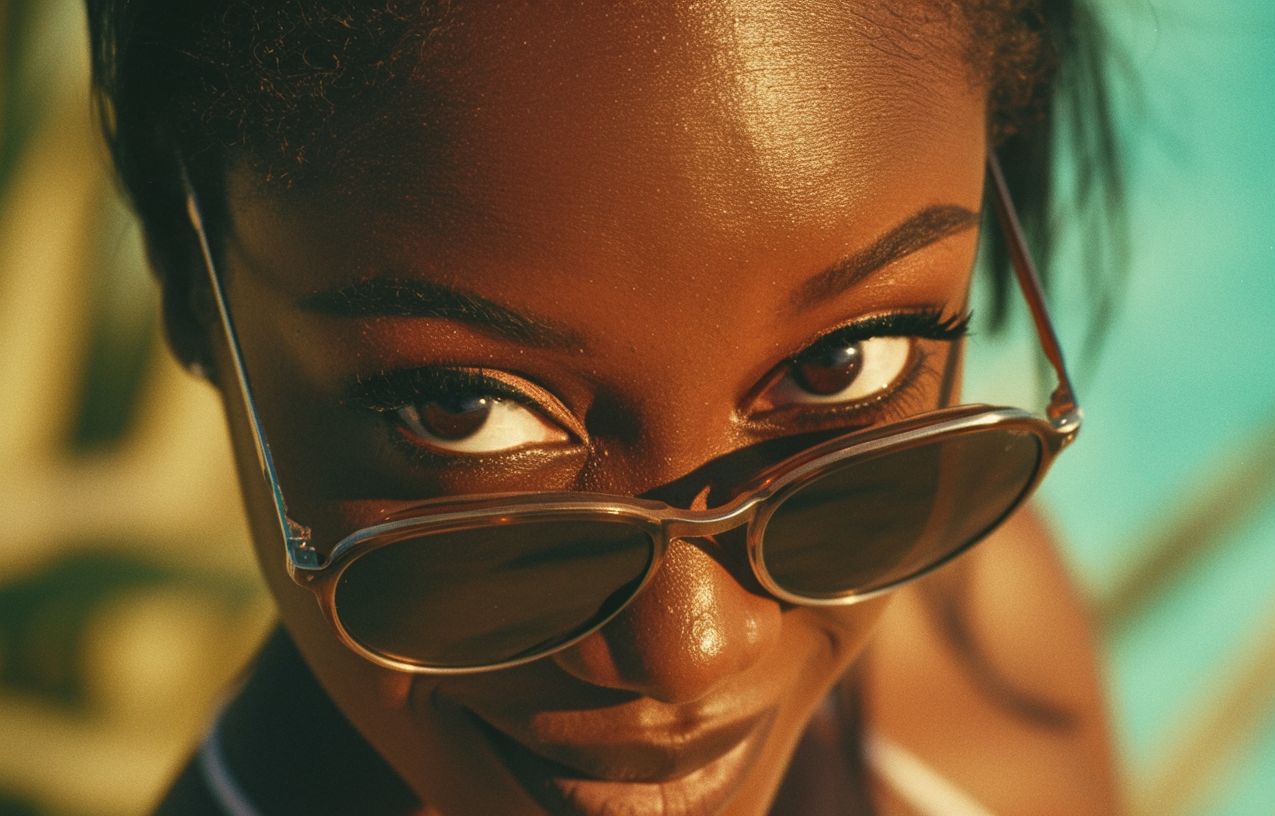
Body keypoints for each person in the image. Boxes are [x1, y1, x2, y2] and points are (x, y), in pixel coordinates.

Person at [86, 1, 1123, 813]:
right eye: (461, 408)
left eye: (843, 362)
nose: (689, 652)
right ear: (187, 280)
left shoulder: (978, 637)